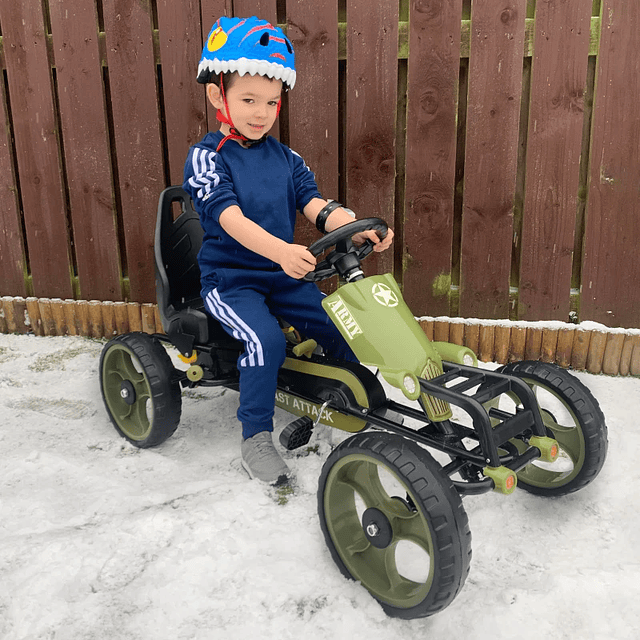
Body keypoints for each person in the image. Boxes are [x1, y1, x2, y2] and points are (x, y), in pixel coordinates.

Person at [183, 16, 394, 485]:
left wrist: (356, 227)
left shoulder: (286, 158)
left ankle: (347, 403)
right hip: (231, 281)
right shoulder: (208, 157)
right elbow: (228, 218)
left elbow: (317, 205)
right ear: (219, 96)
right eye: (249, 100)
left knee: (343, 320)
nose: (261, 113)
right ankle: (255, 435)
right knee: (267, 341)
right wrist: (281, 250)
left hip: (283, 275)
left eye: (271, 102)